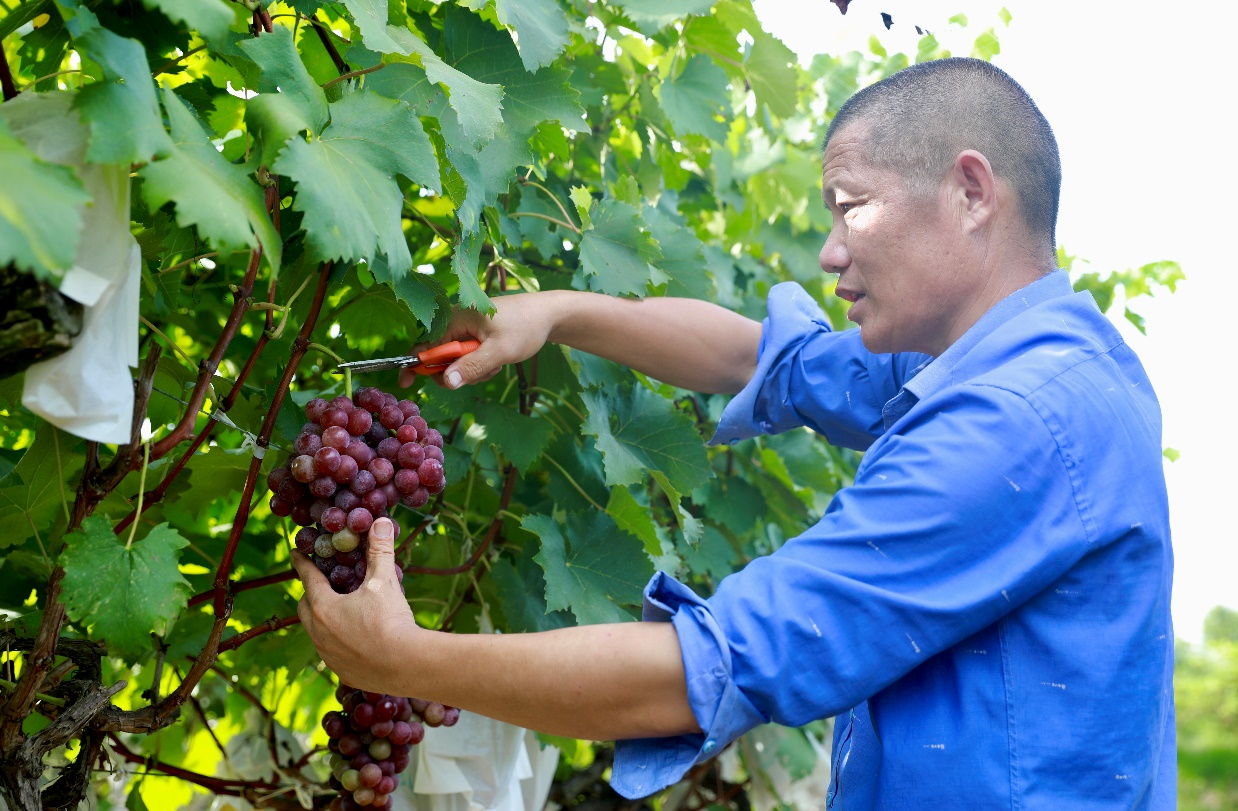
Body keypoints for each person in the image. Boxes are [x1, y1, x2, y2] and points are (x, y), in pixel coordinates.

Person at [293, 57, 1175, 809]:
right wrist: (555, 312)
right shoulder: (1008, 361)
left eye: (851, 205)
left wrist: (404, 657)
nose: (830, 251)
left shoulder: (1013, 423)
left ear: (971, 192)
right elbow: (763, 361)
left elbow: (702, 671)